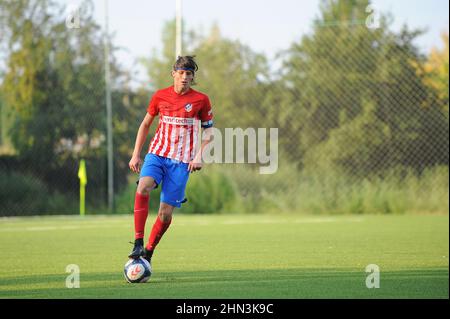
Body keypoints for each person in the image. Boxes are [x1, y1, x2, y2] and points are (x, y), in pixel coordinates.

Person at [127, 56, 214, 265]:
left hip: (182, 162)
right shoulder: (160, 96)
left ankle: (148, 251)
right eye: (181, 73)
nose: (185, 77)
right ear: (173, 73)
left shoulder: (201, 100)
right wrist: (136, 153)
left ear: (193, 77)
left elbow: (209, 130)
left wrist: (199, 155)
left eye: (189, 74)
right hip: (157, 154)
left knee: (165, 215)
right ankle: (138, 241)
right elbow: (146, 124)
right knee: (143, 187)